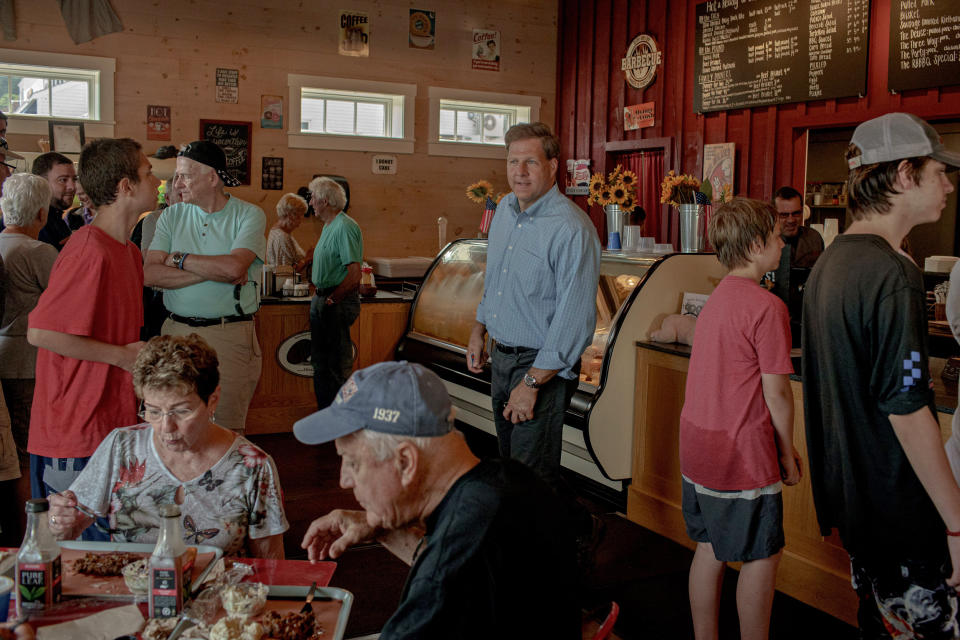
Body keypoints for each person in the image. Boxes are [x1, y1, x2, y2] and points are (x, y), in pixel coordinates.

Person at [802, 112, 960, 636]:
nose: (949, 184)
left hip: (857, 510)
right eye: (940, 171)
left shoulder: (832, 262)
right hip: (901, 517)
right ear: (902, 175)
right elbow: (908, 403)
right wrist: (957, 524)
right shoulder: (895, 276)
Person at [294, 361, 579, 638]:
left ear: (406, 461)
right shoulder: (507, 478)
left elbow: (446, 571)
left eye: (352, 463)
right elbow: (462, 576)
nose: (344, 480)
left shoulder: (460, 552)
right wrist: (383, 529)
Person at [46, 334, 288, 557]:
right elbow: (67, 530)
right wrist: (60, 521)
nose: (165, 427)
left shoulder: (252, 466)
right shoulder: (122, 446)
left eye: (181, 411)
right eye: (153, 411)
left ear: (213, 400)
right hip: (133, 592)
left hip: (217, 596)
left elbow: (271, 564)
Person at [680, 197, 802, 640]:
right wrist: (786, 453)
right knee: (761, 555)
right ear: (754, 246)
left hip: (696, 445)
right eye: (775, 238)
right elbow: (778, 394)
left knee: (710, 546)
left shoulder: (715, 299)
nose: (783, 245)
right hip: (740, 451)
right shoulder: (768, 307)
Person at [26, 138, 157, 539]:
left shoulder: (129, 253)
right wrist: (121, 356)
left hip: (112, 425)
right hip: (75, 432)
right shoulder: (88, 249)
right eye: (149, 173)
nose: (157, 181)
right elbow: (41, 332)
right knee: (80, 562)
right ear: (125, 186)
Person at [466, 122, 600, 509]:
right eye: (513, 162)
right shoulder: (505, 211)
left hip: (539, 368)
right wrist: (479, 329)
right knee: (512, 469)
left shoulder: (571, 228)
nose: (519, 172)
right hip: (501, 358)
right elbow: (495, 283)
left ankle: (546, 560)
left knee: (530, 480)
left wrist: (532, 382)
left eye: (530, 162)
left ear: (553, 165)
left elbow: (575, 320)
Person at [145, 140, 266, 433]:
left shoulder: (249, 215)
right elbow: (148, 274)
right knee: (169, 428)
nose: (176, 183)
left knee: (223, 430)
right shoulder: (171, 216)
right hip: (174, 334)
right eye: (177, 176)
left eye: (185, 175)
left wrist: (177, 258)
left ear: (212, 178)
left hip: (229, 335)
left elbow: (235, 268)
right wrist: (216, 270)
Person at [0, 174, 57, 464]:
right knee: (26, 451)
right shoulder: (38, 251)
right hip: (28, 361)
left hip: (4, 356)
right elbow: (65, 303)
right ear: (41, 213)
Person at [308, 177, 362, 409]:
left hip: (335, 301)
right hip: (323, 299)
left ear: (325, 201)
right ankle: (326, 417)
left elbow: (354, 274)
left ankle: (345, 422)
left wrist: (332, 299)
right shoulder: (329, 225)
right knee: (321, 364)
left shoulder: (345, 226)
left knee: (338, 366)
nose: (310, 203)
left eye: (313, 198)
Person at [768, 186, 823, 317]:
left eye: (796, 213)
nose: (791, 220)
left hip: (806, 316)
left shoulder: (814, 238)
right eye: (784, 215)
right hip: (773, 315)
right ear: (773, 214)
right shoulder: (763, 242)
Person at [32, 152, 76, 252]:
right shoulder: (34, 224)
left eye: (74, 179)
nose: (72, 187)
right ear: (41, 183)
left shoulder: (56, 217)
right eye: (63, 180)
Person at [266, 192, 310, 270]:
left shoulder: (278, 231)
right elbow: (287, 272)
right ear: (290, 215)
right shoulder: (282, 237)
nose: (300, 221)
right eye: (299, 216)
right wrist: (307, 258)